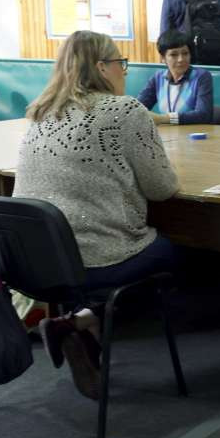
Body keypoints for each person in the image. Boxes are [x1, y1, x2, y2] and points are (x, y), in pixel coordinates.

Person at [14, 30, 179, 400]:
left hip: (30, 264)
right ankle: (80, 323)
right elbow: (162, 188)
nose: (125, 71)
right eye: (121, 63)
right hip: (90, 262)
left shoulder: (39, 113)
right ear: (102, 67)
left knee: (96, 254)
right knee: (173, 253)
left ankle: (78, 327)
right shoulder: (125, 110)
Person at [137, 30, 213, 125]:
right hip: (167, 136)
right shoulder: (158, 78)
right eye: (174, 55)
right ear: (163, 58)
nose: (181, 59)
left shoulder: (201, 77)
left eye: (185, 53)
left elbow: (204, 115)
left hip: (193, 136)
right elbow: (137, 108)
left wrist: (163, 119)